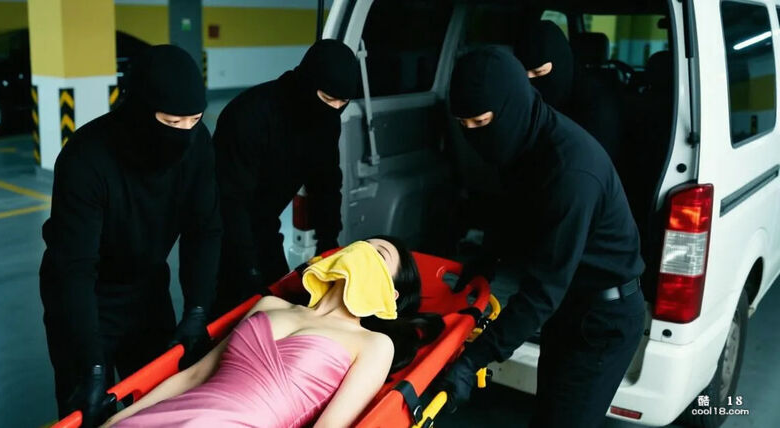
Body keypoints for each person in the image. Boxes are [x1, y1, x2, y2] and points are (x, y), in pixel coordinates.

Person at [441, 48, 645, 428]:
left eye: (481, 122)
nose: (474, 135)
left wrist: (473, 360)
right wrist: (486, 260)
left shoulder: (572, 173)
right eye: (464, 125)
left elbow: (543, 290)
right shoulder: (522, 139)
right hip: (569, 307)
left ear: (510, 106)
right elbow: (513, 210)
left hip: (604, 320)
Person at [39, 45, 221, 427]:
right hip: (84, 296)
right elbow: (75, 270)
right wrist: (90, 365)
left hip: (146, 288)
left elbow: (204, 230)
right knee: (88, 409)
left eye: (194, 120)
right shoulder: (86, 159)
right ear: (139, 109)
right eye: (172, 122)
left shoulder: (198, 143)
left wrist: (197, 309)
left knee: (161, 400)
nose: (185, 134)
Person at [101, 236, 444, 428]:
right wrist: (118, 418)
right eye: (361, 245)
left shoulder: (374, 344)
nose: (362, 252)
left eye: (378, 254)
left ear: (391, 295)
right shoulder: (270, 305)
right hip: (173, 414)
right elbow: (195, 375)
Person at [212, 39, 360, 316]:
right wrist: (249, 269)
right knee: (229, 310)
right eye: (328, 99)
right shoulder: (249, 115)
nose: (335, 108)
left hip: (265, 225)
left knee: (278, 301)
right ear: (307, 82)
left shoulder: (328, 118)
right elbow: (231, 201)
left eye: (343, 102)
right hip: (220, 228)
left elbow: (326, 182)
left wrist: (329, 241)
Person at [515, 20, 623, 162]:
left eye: (538, 72)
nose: (531, 81)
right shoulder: (528, 96)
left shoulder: (596, 108)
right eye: (525, 73)